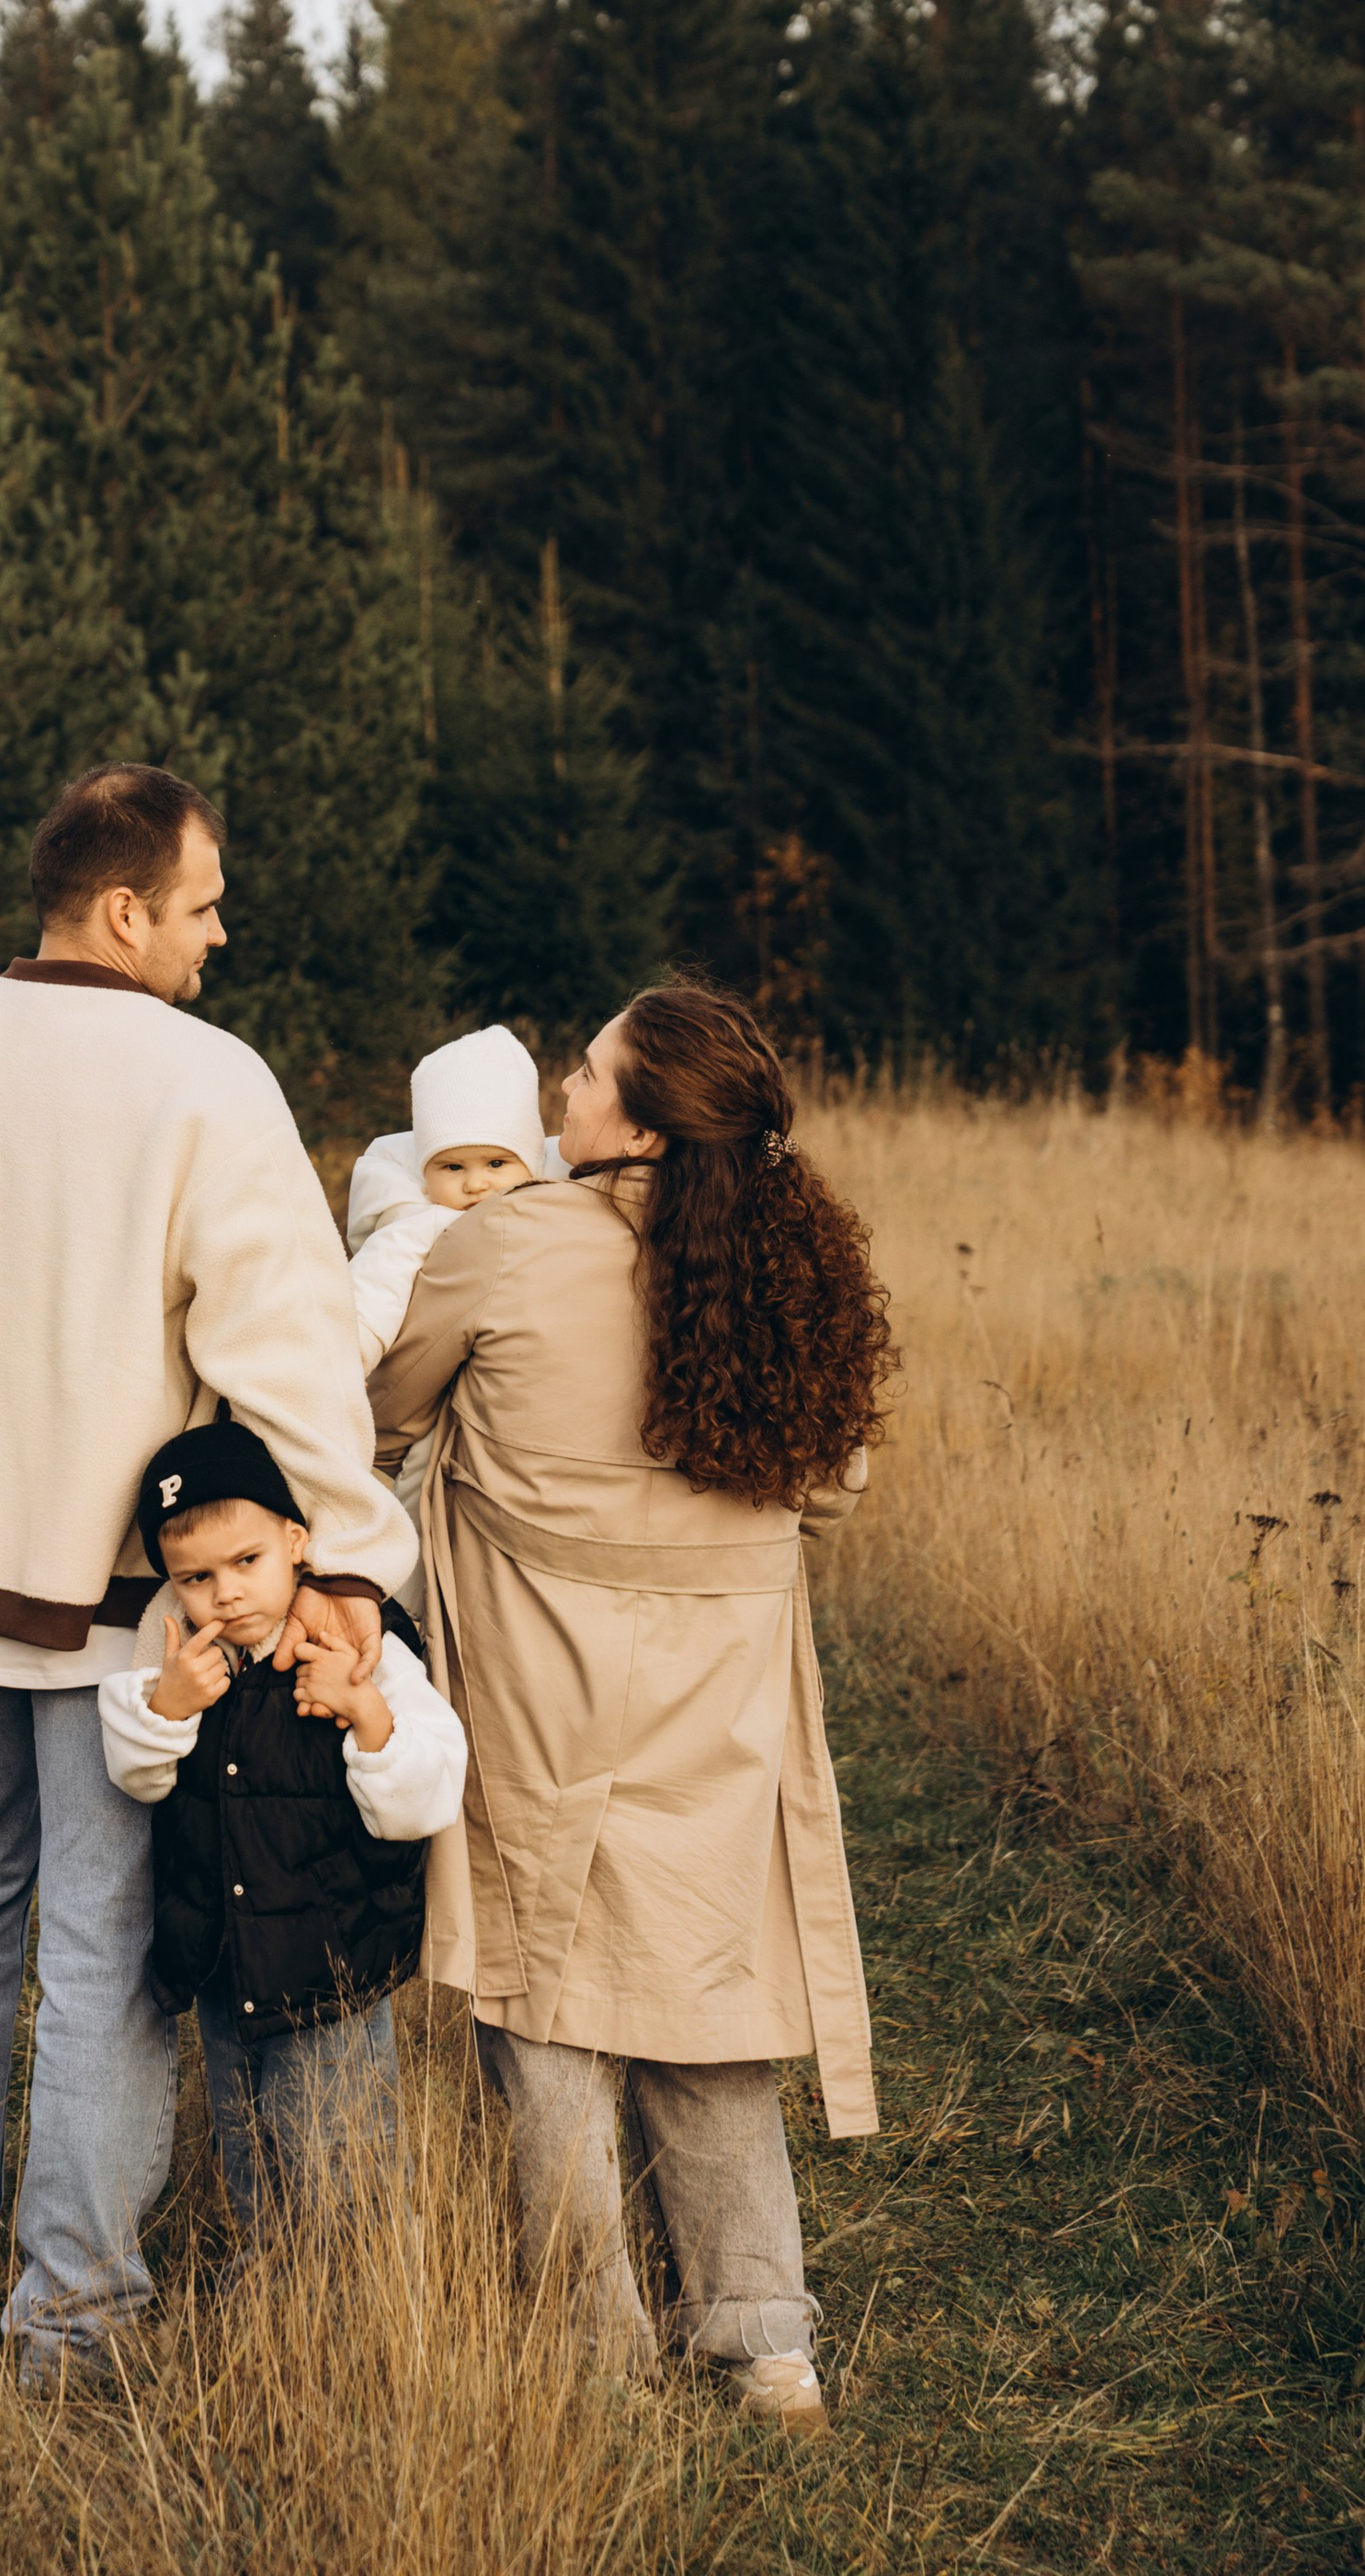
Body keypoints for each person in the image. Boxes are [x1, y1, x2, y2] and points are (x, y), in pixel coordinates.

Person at [0, 764, 415, 2381]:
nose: (222, 934)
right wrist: (349, 1564)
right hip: (105, 1622)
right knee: (101, 1943)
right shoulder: (206, 1088)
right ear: (126, 908)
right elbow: (286, 1366)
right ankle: (70, 2312)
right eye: (204, 905)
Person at [371, 979, 893, 2437]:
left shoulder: (506, 1243)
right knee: (703, 1985)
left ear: (643, 1119)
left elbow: (385, 1407)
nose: (562, 1092)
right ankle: (763, 2336)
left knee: (543, 2000)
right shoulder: (792, 1260)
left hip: (545, 1673)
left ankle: (593, 2343)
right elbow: (834, 1488)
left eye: (588, 1072)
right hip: (724, 1684)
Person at [97, 1417, 465, 2238]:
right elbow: (137, 1772)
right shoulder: (176, 1656)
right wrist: (168, 1709)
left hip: (332, 1960)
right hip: (228, 1960)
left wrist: (364, 1711)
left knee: (341, 2159)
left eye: (246, 1561)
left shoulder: (362, 1646)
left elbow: (427, 1794)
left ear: (297, 1541)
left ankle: (361, 2316)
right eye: (195, 1577)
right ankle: (268, 2294)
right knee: (251, 2148)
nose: (224, 1592)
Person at [345, 1025, 553, 1369]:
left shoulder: (557, 1200)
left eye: (496, 1163)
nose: (475, 1184)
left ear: (532, 1164)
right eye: (453, 1168)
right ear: (424, 1172)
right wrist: (354, 1355)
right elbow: (375, 1288)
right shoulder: (418, 1228)